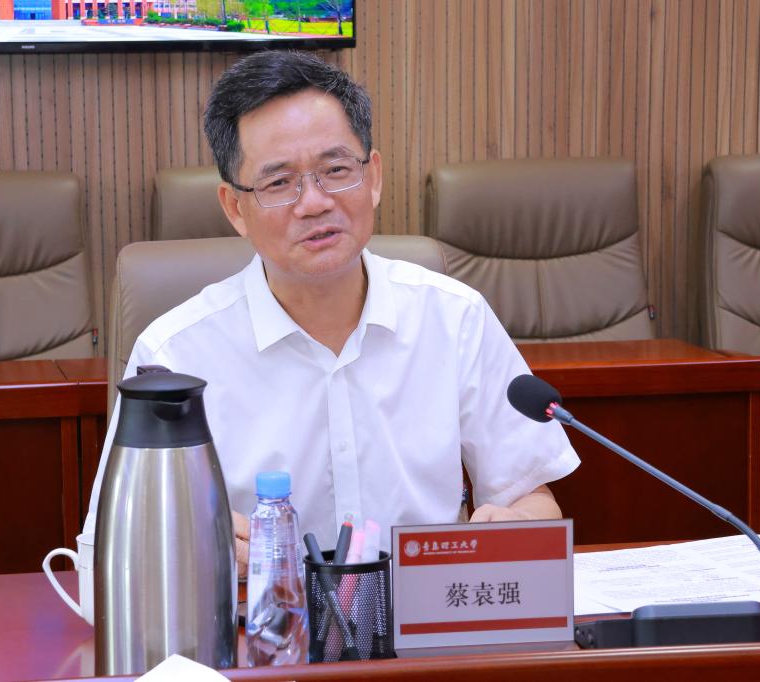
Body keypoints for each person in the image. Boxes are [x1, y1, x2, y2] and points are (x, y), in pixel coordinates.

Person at [84, 51, 579, 575]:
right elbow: (107, 555)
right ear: (235, 209)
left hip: (423, 620)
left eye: (336, 170)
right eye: (279, 183)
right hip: (259, 623)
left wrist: (516, 523)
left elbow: (531, 495)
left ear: (374, 176)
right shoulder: (176, 356)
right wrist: (195, 551)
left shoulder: (455, 318)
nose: (314, 202)